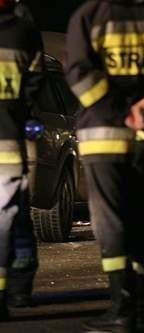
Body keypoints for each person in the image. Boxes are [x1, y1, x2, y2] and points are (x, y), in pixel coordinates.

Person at [65, 0, 144, 331]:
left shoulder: (90, 15)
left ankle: (122, 309)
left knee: (111, 221)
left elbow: (79, 73)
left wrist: (121, 109)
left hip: (103, 135)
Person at [0, 0, 44, 320]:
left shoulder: (22, 32)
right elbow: (34, 83)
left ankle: (16, 288)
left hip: (11, 141)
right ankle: (16, 290)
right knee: (15, 221)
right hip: (11, 140)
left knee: (14, 223)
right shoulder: (24, 32)